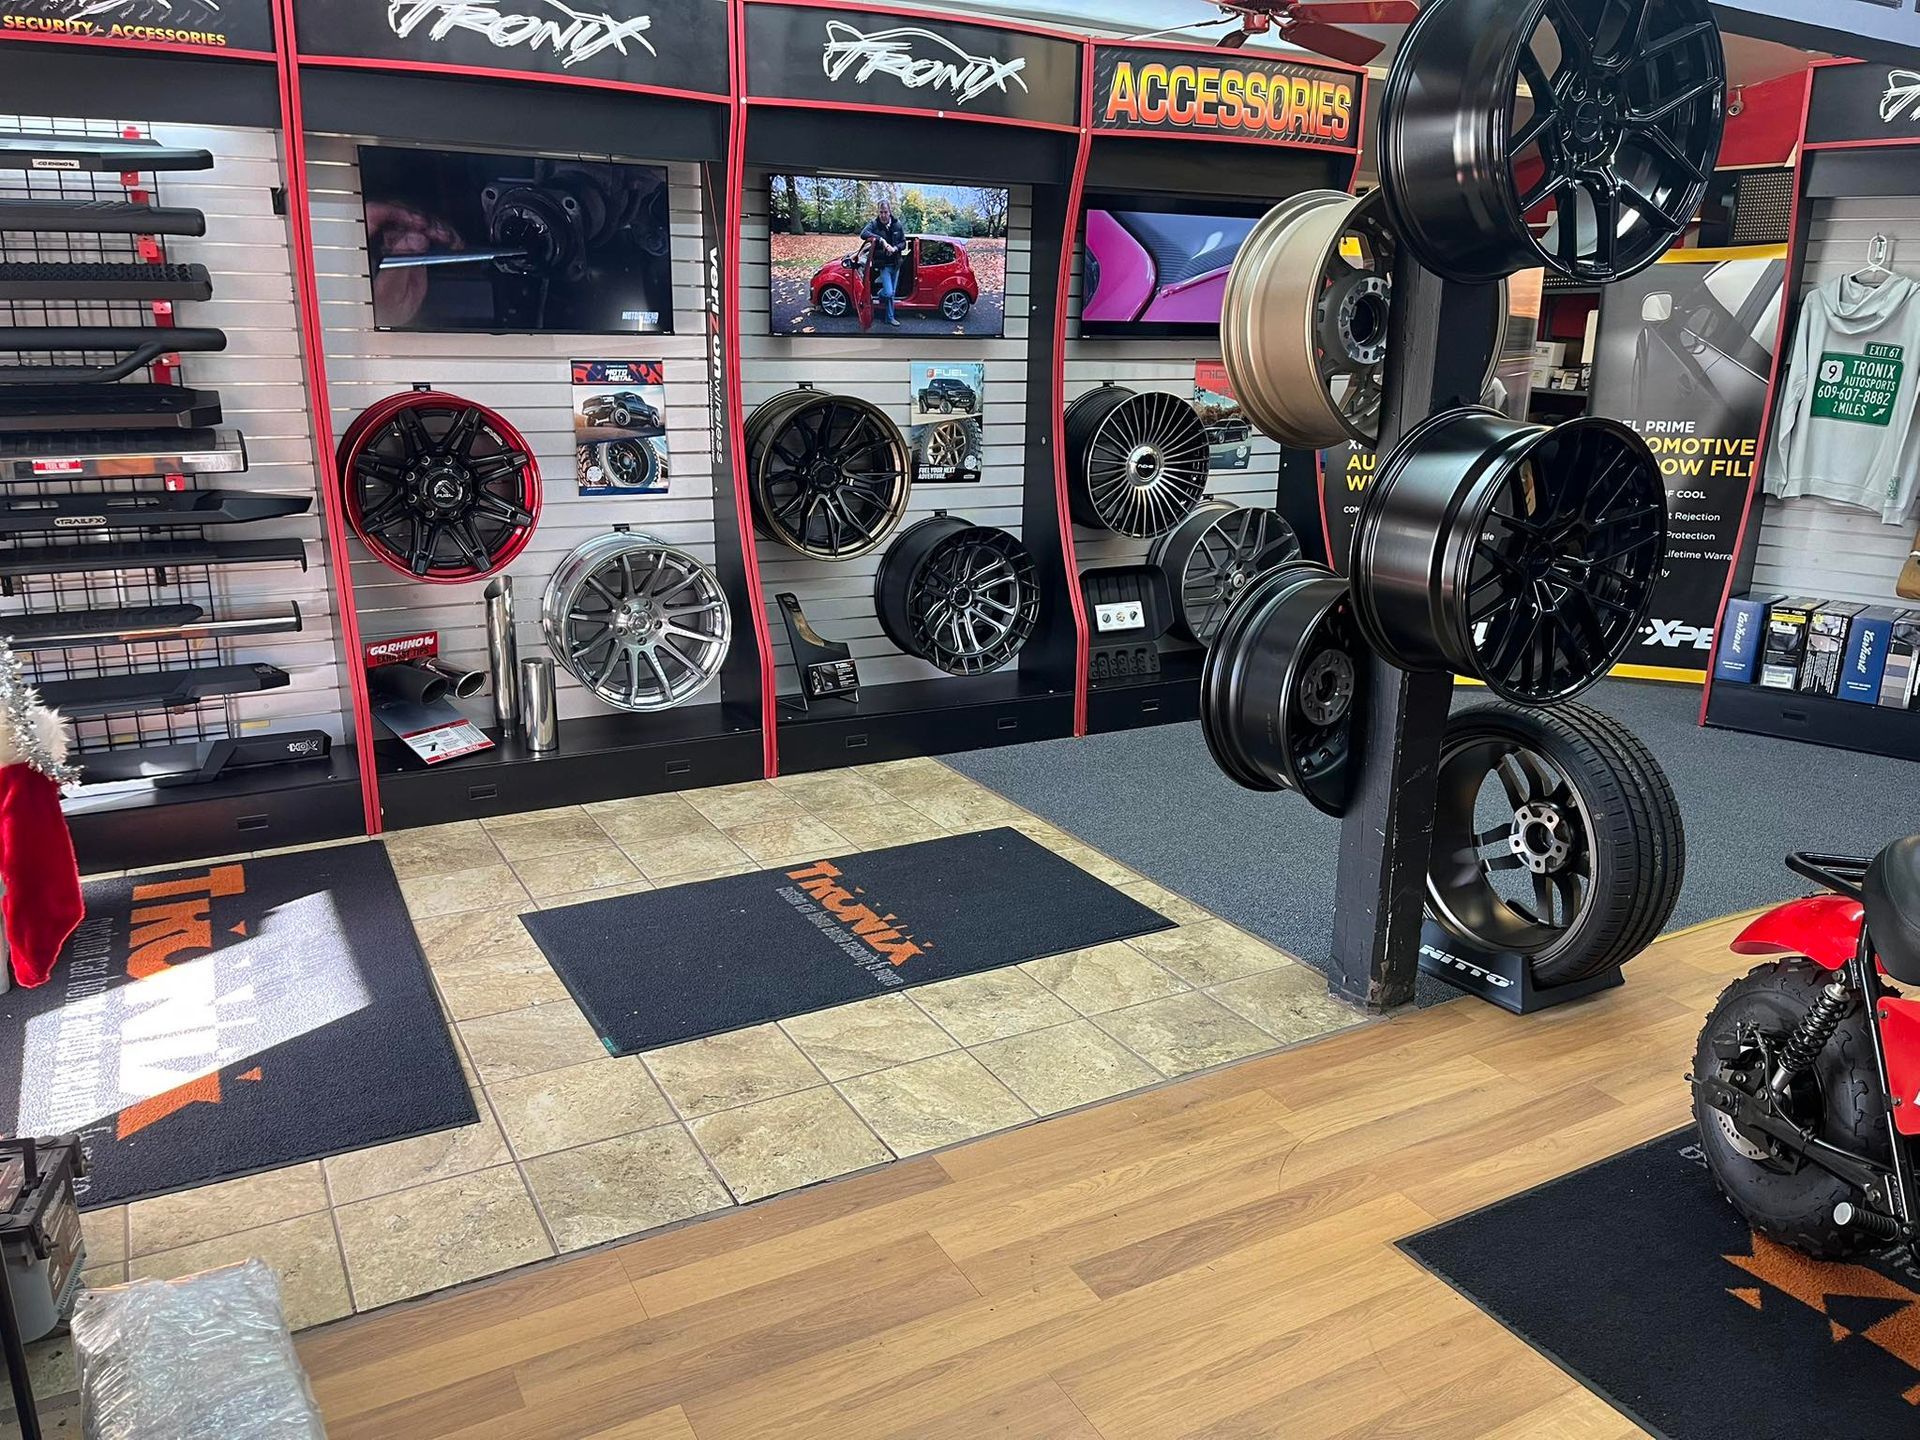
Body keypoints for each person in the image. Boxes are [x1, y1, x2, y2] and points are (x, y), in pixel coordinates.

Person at [859, 199, 907, 327]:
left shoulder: (897, 225)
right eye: (881, 212)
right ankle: (881, 294)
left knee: (891, 294)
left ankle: (889, 318)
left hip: (896, 264)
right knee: (889, 292)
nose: (883, 215)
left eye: (885, 212)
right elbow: (863, 234)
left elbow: (903, 243)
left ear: (890, 212)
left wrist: (895, 248)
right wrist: (881, 240)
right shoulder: (874, 224)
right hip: (883, 266)